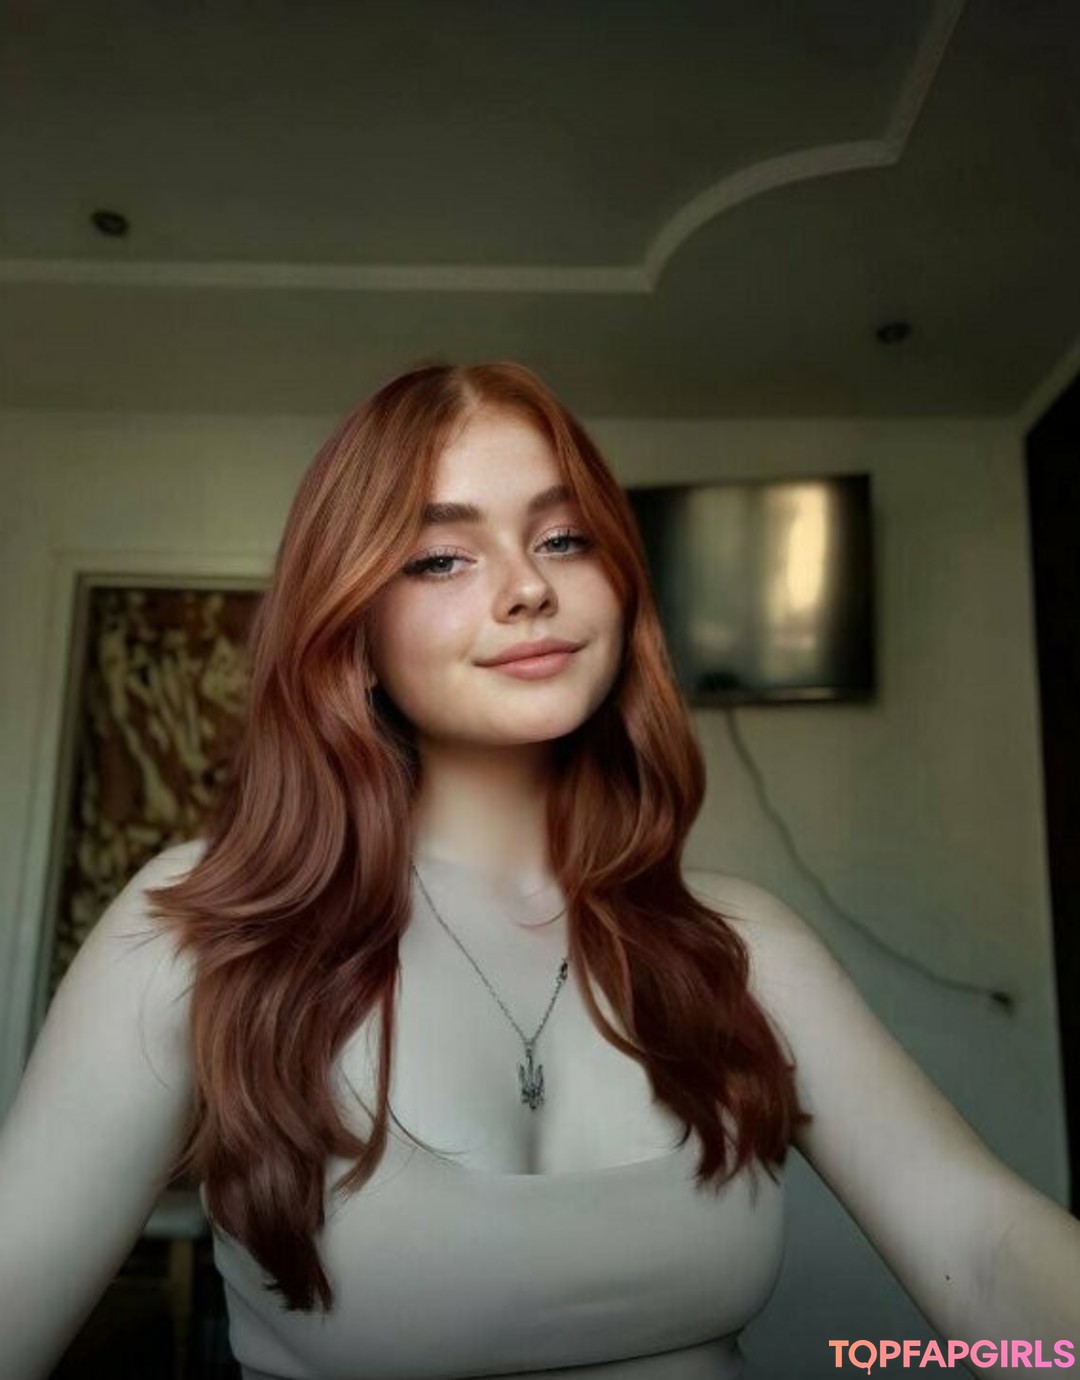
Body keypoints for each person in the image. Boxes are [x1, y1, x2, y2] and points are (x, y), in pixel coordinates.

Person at [1, 361, 1078, 1380]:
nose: (527, 587)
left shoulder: (742, 947)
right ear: (352, 626)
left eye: (564, 540)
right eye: (441, 557)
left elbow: (983, 1249)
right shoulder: (200, 933)